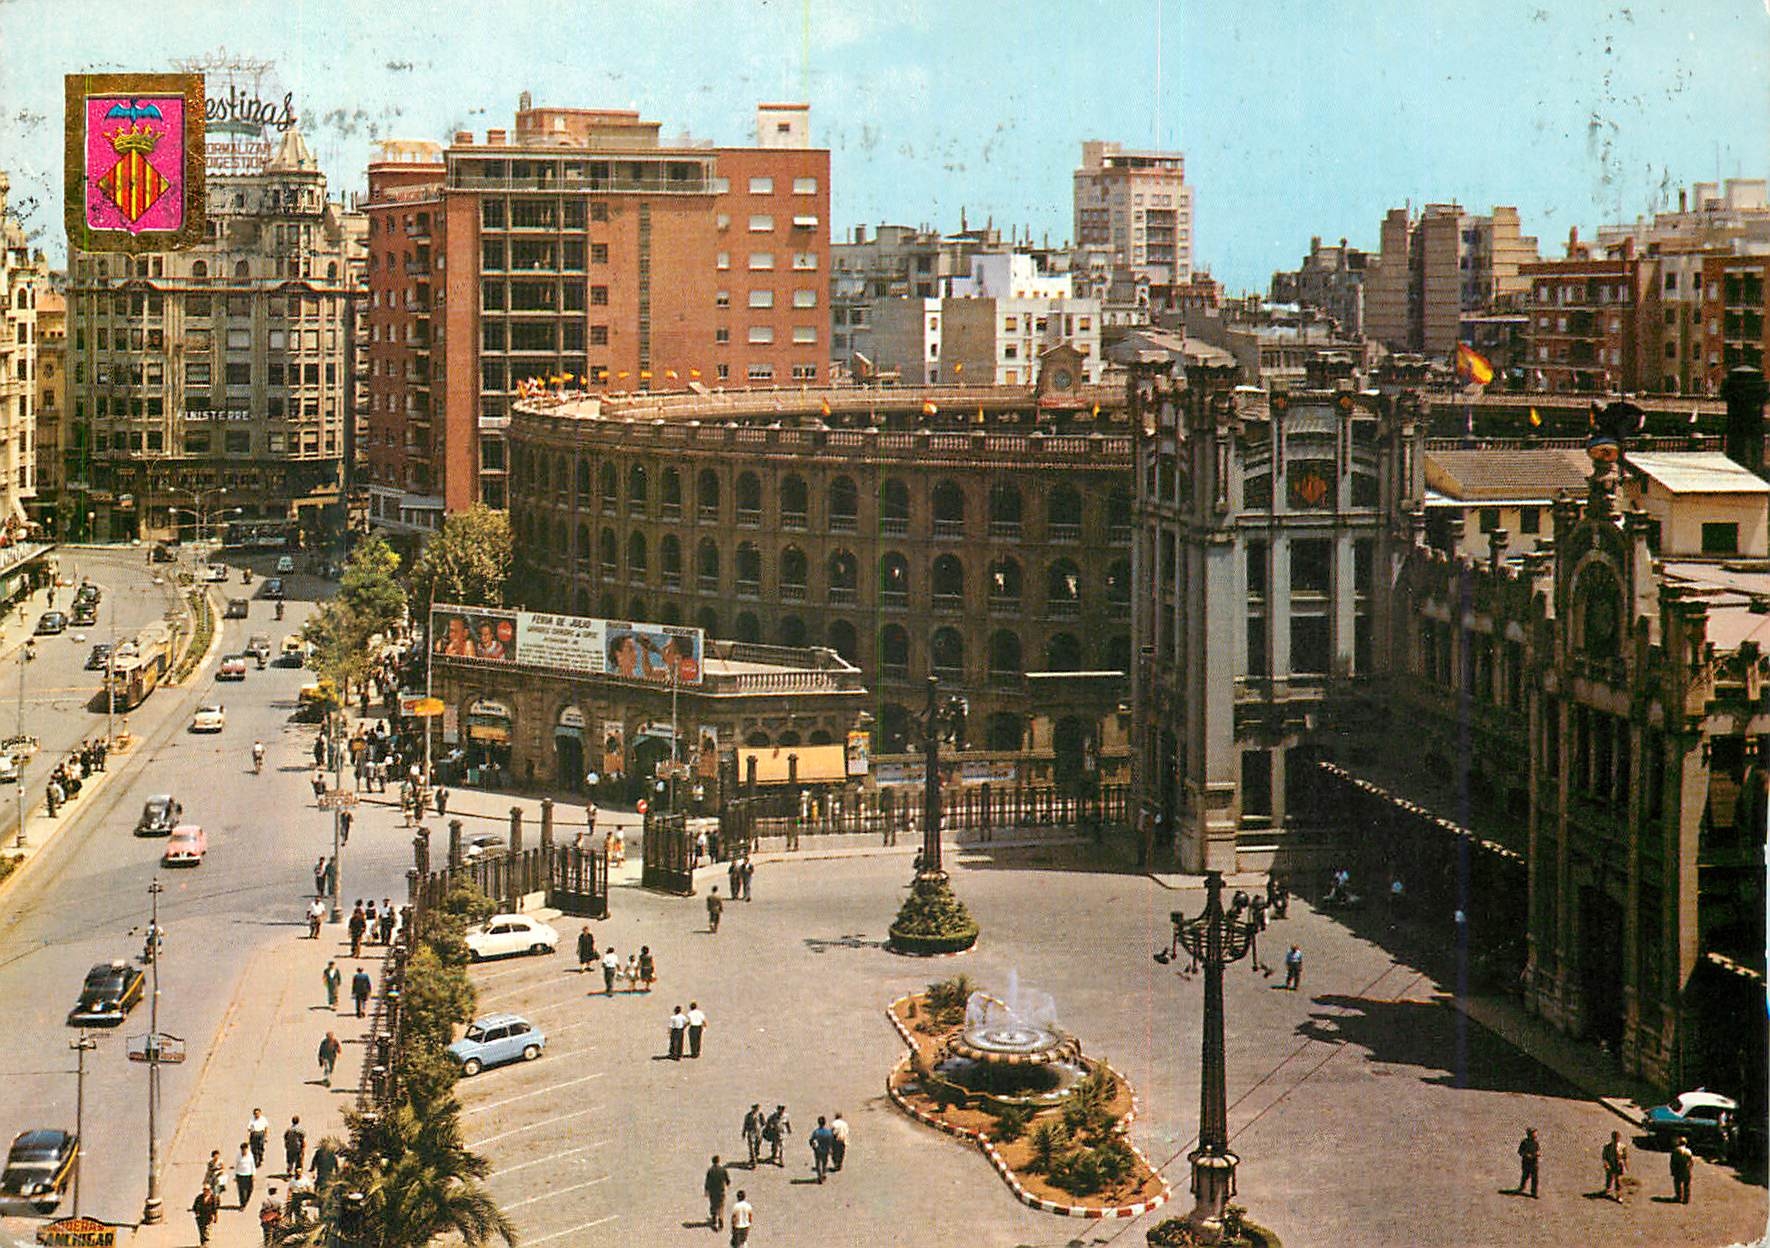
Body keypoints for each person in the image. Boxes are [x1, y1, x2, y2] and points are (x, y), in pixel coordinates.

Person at [704, 1155, 731, 1230]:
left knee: (713, 1205)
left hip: (713, 1192)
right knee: (721, 1206)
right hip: (721, 1192)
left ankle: (714, 1220)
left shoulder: (710, 1170)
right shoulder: (723, 1170)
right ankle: (721, 1220)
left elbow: (707, 1182)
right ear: (719, 1161)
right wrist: (727, 1185)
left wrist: (706, 1190)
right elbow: (728, 1181)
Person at [1601, 1129, 1628, 1201]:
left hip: (1618, 1166)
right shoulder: (1607, 1147)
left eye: (1617, 1138)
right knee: (1609, 1178)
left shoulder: (1622, 1147)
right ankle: (1607, 1189)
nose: (1616, 1140)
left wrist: (1625, 1166)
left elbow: (1625, 1157)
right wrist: (1606, 1164)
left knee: (1618, 1181)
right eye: (1614, 1138)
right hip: (1611, 1164)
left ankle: (1618, 1195)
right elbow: (1604, 1156)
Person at [809, 1116, 835, 1183]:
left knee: (818, 1163)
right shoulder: (828, 1132)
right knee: (824, 1163)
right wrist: (831, 1148)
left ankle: (819, 1176)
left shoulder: (816, 1132)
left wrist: (812, 1146)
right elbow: (831, 1141)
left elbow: (811, 1140)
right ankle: (823, 1174)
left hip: (818, 1150)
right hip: (826, 1150)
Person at [1516, 1127, 1540, 1198]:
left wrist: (1537, 1153)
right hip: (1526, 1163)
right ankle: (1522, 1187)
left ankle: (1534, 1193)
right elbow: (1520, 1152)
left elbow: (1538, 1150)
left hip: (1534, 1163)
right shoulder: (1524, 1142)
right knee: (1525, 1176)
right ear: (1530, 1134)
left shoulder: (1536, 1143)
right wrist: (1526, 1154)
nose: (1536, 1134)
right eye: (1534, 1133)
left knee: (1535, 1178)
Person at [1670, 1135, 1693, 1203]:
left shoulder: (1676, 1150)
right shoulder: (1688, 1151)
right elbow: (1691, 1161)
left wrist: (1672, 1170)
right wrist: (1690, 1168)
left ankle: (1679, 1196)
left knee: (1677, 1183)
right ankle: (1686, 1198)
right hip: (1686, 1169)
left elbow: (1673, 1161)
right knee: (1687, 1184)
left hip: (1678, 1168)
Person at [234, 1141, 257, 1209]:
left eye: (246, 1149)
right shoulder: (238, 1156)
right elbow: (236, 1165)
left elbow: (252, 1165)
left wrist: (253, 1174)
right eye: (243, 1150)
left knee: (250, 1189)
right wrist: (235, 1175)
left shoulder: (250, 1155)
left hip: (248, 1175)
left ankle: (246, 1201)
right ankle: (242, 1204)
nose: (244, 1151)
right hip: (240, 1175)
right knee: (242, 1191)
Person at [742, 1104, 765, 1169]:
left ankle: (756, 1157)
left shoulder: (760, 1115)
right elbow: (745, 1124)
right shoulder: (748, 1116)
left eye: (758, 1108)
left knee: (757, 1146)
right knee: (751, 1147)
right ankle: (753, 1161)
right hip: (751, 1132)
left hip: (759, 1132)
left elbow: (764, 1123)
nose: (757, 1110)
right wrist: (744, 1133)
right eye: (755, 1108)